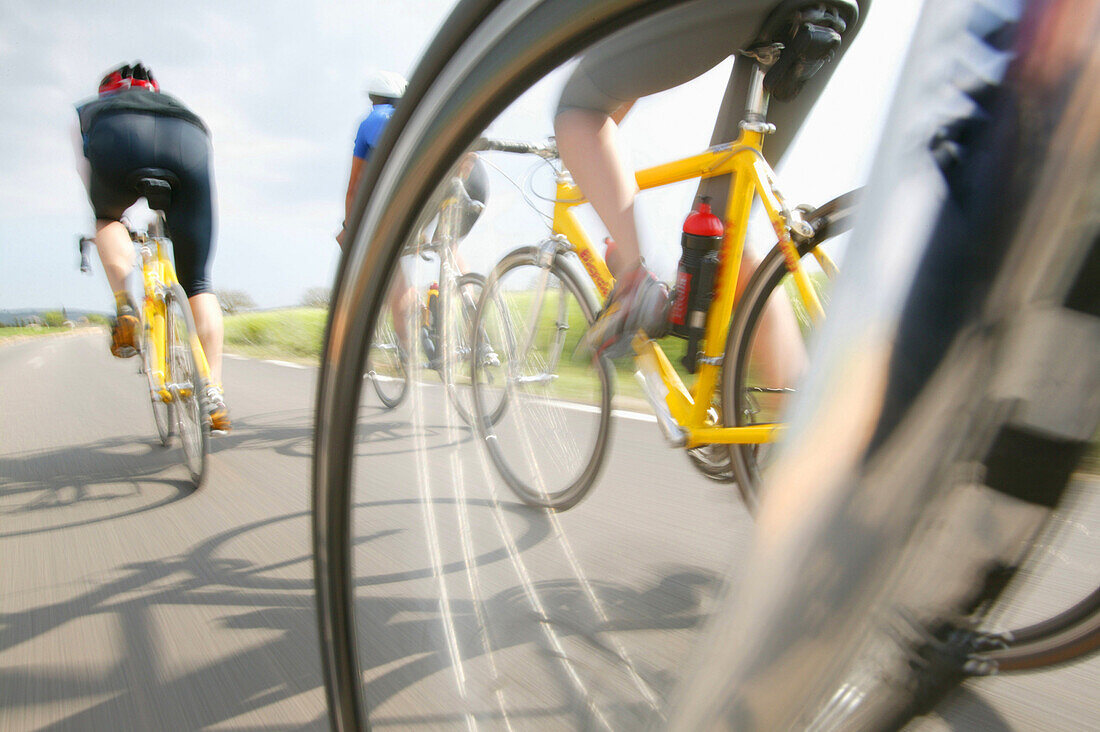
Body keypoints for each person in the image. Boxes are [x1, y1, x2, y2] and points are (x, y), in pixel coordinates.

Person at [559, 0, 869, 359]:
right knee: (725, 236)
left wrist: (582, 146)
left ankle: (633, 287)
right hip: (847, 8)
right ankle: (802, 412)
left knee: (577, 108)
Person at [74, 62, 230, 432]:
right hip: (187, 140)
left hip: (115, 137)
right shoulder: (175, 105)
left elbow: (87, 171)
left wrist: (112, 219)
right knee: (198, 283)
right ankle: (213, 390)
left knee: (107, 219)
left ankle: (125, 306)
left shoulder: (94, 110)